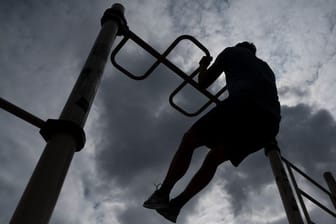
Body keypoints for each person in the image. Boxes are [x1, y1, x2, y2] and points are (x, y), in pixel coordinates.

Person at [143, 42, 281, 223]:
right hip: (269, 125)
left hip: (244, 103)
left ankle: (163, 193)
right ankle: (176, 206)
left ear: (240, 46)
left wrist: (203, 65)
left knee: (190, 140)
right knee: (214, 158)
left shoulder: (232, 52)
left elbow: (203, 82)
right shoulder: (266, 68)